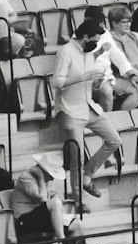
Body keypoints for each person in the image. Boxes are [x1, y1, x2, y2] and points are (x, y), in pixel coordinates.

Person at [52, 13, 122, 208]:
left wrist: (97, 80)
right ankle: (77, 201)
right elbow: (56, 82)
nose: (96, 44)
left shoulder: (88, 53)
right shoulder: (65, 52)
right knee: (76, 157)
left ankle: (87, 176)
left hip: (88, 106)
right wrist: (82, 77)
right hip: (69, 109)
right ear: (85, 37)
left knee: (115, 140)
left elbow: (92, 84)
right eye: (94, 40)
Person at [11, 153, 83, 244]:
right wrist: (40, 178)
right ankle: (61, 239)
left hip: (41, 220)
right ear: (43, 171)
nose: (52, 178)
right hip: (24, 222)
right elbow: (42, 198)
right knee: (55, 203)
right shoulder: (26, 177)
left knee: (79, 225)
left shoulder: (47, 181)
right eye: (51, 175)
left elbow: (57, 196)